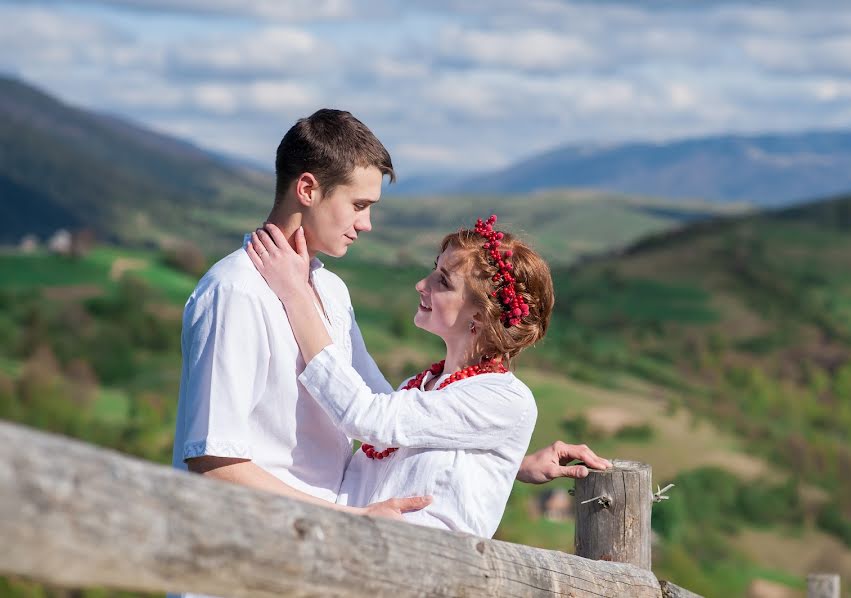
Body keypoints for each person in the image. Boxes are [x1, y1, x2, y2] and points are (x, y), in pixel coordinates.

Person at [171, 109, 610, 525]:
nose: (367, 224)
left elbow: (380, 417)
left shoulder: (331, 292)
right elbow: (212, 463)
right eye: (359, 204)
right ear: (307, 189)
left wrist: (505, 456)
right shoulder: (236, 291)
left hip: (322, 553)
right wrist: (350, 520)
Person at [246, 215, 570, 536]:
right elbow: (360, 381)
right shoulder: (426, 386)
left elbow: (366, 416)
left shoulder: (505, 399)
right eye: (434, 269)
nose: (421, 284)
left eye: (442, 280)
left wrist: (295, 294)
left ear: (481, 316)